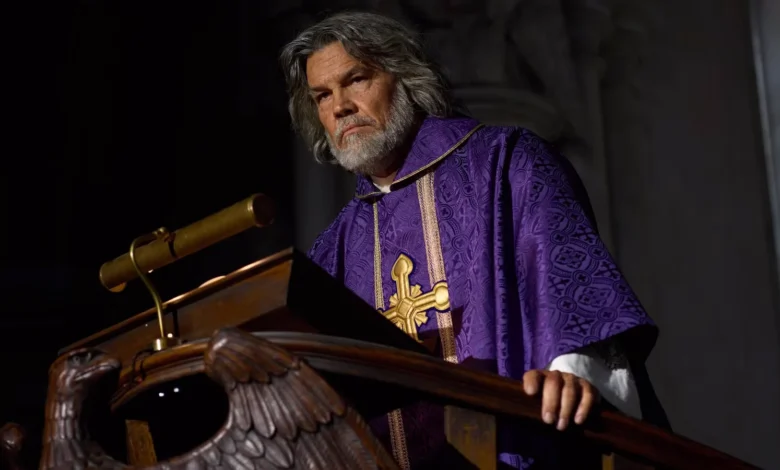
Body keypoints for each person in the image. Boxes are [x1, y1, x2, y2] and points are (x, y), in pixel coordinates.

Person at [280, 11, 668, 469]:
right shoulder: (334, 249)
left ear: (405, 79)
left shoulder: (507, 163)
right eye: (322, 96)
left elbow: (572, 283)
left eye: (356, 80)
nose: (340, 106)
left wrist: (572, 374)